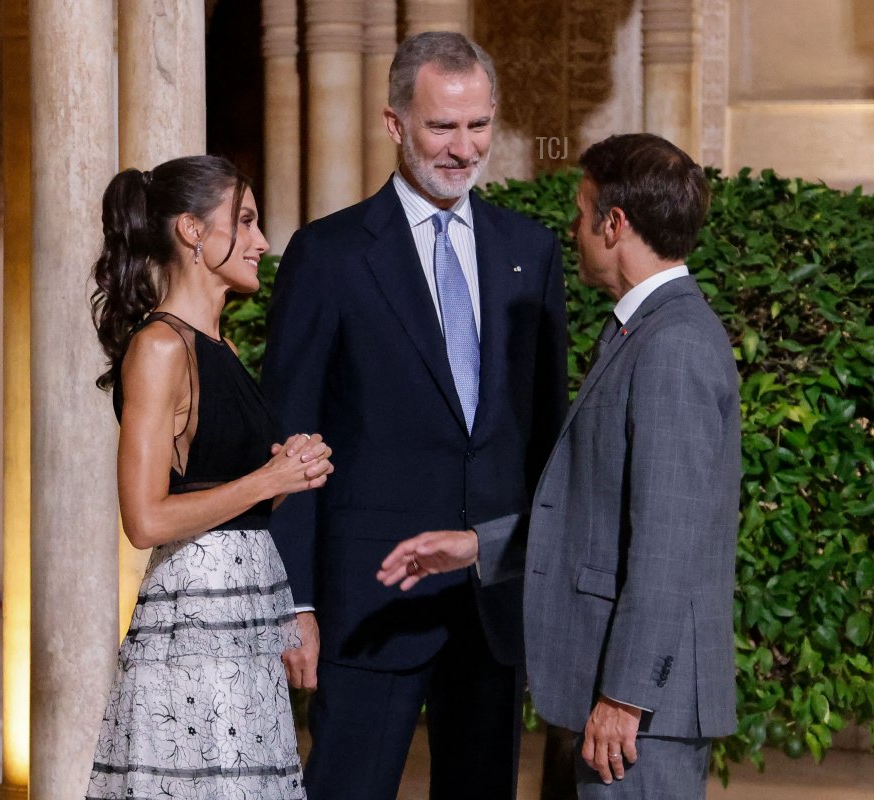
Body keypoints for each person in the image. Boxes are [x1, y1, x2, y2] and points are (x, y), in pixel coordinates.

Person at [379, 133, 741, 799]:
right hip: (610, 698)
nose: (572, 228)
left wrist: (626, 697)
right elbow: (592, 514)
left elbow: (668, 544)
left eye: (581, 211)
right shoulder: (642, 330)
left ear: (616, 223)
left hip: (638, 713)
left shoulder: (675, 345)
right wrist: (475, 546)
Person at [261, 31, 569, 800]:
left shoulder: (531, 250)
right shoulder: (327, 254)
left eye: (478, 126)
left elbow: (545, 442)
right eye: (442, 127)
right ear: (395, 123)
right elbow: (291, 441)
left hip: (490, 608)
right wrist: (294, 600)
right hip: (368, 603)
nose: (463, 149)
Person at [84, 155, 334, 800]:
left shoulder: (218, 348)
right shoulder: (162, 347)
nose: (262, 242)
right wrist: (264, 479)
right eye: (245, 222)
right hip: (194, 624)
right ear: (194, 232)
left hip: (242, 618)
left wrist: (287, 478)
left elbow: (221, 508)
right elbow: (145, 520)